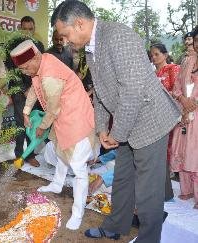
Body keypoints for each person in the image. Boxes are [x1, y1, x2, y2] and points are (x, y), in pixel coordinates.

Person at [51, 1, 181, 242]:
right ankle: (115, 226)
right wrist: (102, 129)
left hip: (150, 121)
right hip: (128, 121)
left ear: (79, 24)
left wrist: (117, 133)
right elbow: (100, 92)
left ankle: (148, 238)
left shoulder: (118, 36)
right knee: (122, 178)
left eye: (66, 35)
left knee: (147, 191)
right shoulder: (90, 48)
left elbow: (132, 90)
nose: (66, 41)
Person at [10, 40, 95, 230]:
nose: (24, 72)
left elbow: (53, 107)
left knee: (78, 166)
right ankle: (57, 184)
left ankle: (78, 212)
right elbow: (34, 88)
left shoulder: (49, 74)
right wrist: (25, 110)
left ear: (35, 58)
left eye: (25, 67)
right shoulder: (42, 62)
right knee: (60, 151)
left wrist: (42, 127)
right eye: (21, 69)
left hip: (76, 118)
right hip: (61, 116)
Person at [7, 16, 45, 167]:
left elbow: (41, 67)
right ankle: (19, 155)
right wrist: (22, 89)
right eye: (25, 29)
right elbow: (11, 70)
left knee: (33, 121)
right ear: (20, 28)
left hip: (35, 89)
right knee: (20, 123)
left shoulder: (39, 46)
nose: (28, 32)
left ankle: (29, 155)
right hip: (18, 91)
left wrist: (33, 87)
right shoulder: (12, 45)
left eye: (31, 29)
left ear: (34, 28)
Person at [170, 28, 198, 210]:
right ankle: (187, 189)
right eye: (196, 40)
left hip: (195, 112)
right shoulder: (187, 61)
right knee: (183, 150)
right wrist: (182, 100)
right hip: (185, 112)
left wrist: (192, 103)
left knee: (195, 153)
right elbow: (177, 86)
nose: (197, 44)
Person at [150, 43, 180, 202]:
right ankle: (161, 187)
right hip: (155, 116)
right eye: (152, 55)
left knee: (168, 149)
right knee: (159, 151)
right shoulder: (152, 74)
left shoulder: (173, 69)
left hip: (171, 114)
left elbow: (178, 91)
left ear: (165, 54)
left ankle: (166, 188)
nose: (154, 58)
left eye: (157, 54)